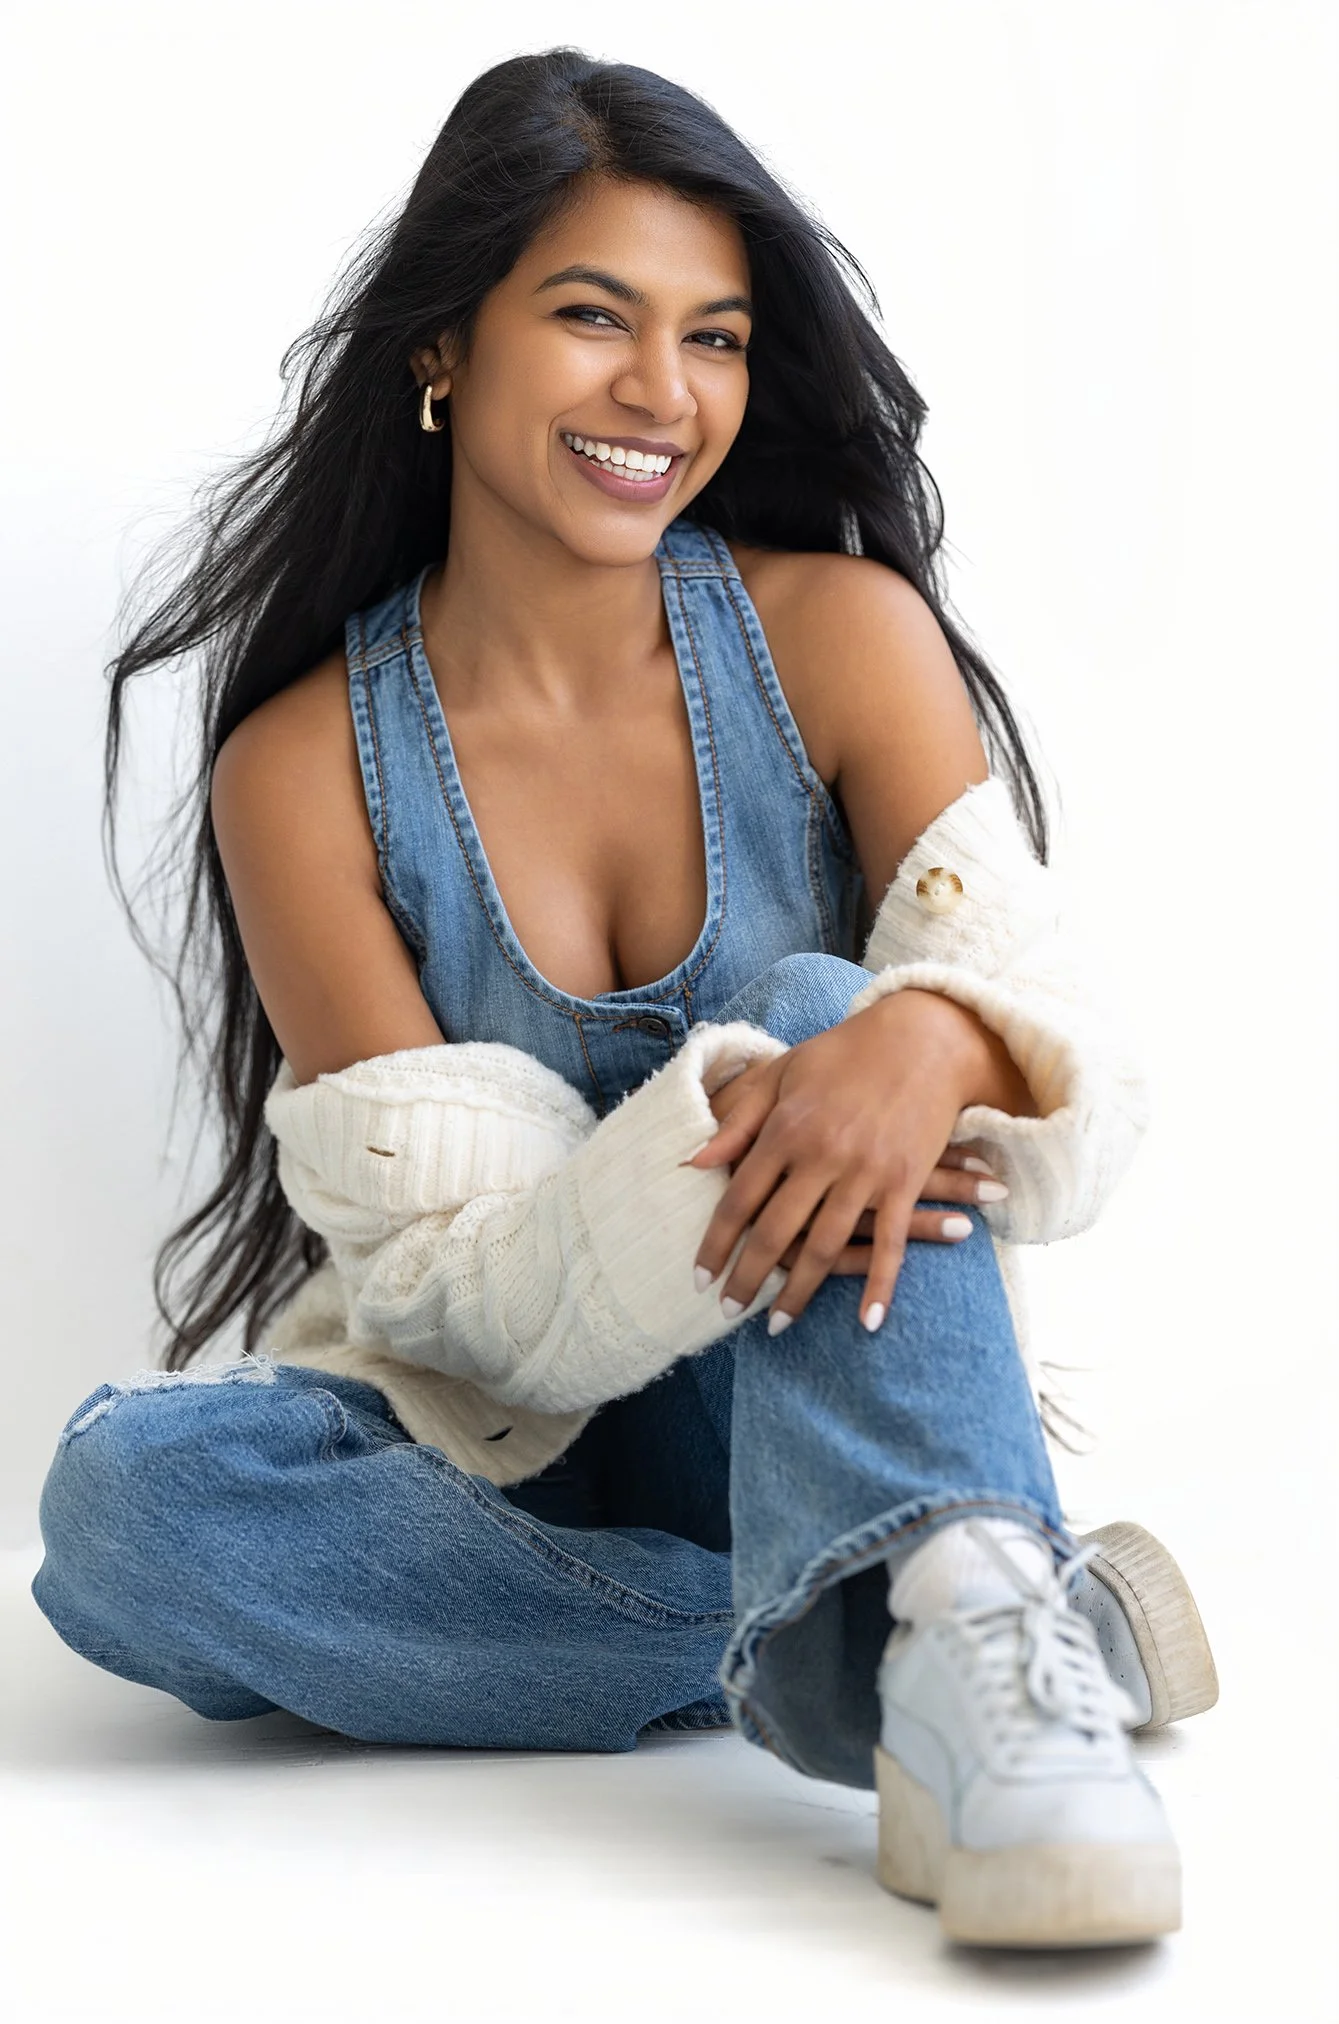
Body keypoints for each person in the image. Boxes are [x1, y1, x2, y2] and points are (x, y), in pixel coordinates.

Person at [31, 49, 1216, 1951]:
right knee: (128, 1518)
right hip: (503, 1451)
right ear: (446, 343)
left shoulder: (839, 635)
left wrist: (931, 1038)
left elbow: (1086, 1066)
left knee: (855, 996)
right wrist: (769, 1108)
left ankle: (960, 1640)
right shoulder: (302, 763)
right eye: (593, 317)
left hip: (819, 1373)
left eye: (715, 337)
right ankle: (954, 1614)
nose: (663, 395)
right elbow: (458, 1308)